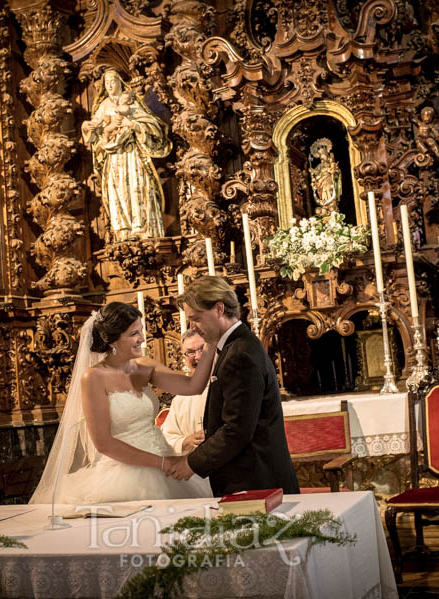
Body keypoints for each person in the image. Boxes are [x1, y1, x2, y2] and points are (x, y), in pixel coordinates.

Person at [29, 302, 214, 505]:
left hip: (165, 463)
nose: (142, 339)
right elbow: (103, 443)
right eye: (134, 333)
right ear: (112, 341)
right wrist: (161, 462)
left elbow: (193, 386)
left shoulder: (145, 366)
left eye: (141, 331)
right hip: (124, 474)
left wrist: (211, 343)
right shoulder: (93, 377)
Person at [172, 276, 300, 496]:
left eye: (196, 318)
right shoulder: (237, 346)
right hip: (252, 477)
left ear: (219, 308)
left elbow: (236, 429)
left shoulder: (239, 354)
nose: (193, 327)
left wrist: (191, 463)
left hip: (255, 480)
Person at [81, 69, 172, 242]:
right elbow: (94, 132)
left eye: (112, 82)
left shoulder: (132, 102)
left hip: (132, 155)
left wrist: (132, 124)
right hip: (114, 157)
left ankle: (142, 227)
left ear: (120, 82)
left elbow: (151, 124)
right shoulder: (104, 105)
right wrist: (88, 127)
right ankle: (123, 229)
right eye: (106, 83)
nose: (109, 86)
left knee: (137, 187)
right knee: (118, 189)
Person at [160, 330, 208, 455]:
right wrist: (186, 441)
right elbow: (166, 438)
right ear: (184, 357)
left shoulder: (227, 386)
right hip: (192, 468)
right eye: (190, 352)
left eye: (202, 349)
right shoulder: (181, 398)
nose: (197, 356)